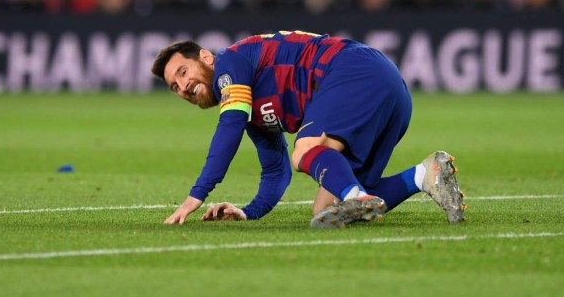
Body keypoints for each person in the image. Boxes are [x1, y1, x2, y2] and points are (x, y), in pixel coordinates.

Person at [152, 30, 466, 228]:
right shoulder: (251, 109)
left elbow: (229, 125)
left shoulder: (231, 63)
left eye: (183, 71)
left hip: (352, 69)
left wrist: (197, 195)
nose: (182, 86)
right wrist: (248, 212)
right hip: (390, 90)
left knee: (304, 150)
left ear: (205, 58)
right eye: (174, 86)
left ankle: (355, 194)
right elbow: (275, 172)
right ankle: (424, 175)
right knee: (324, 213)